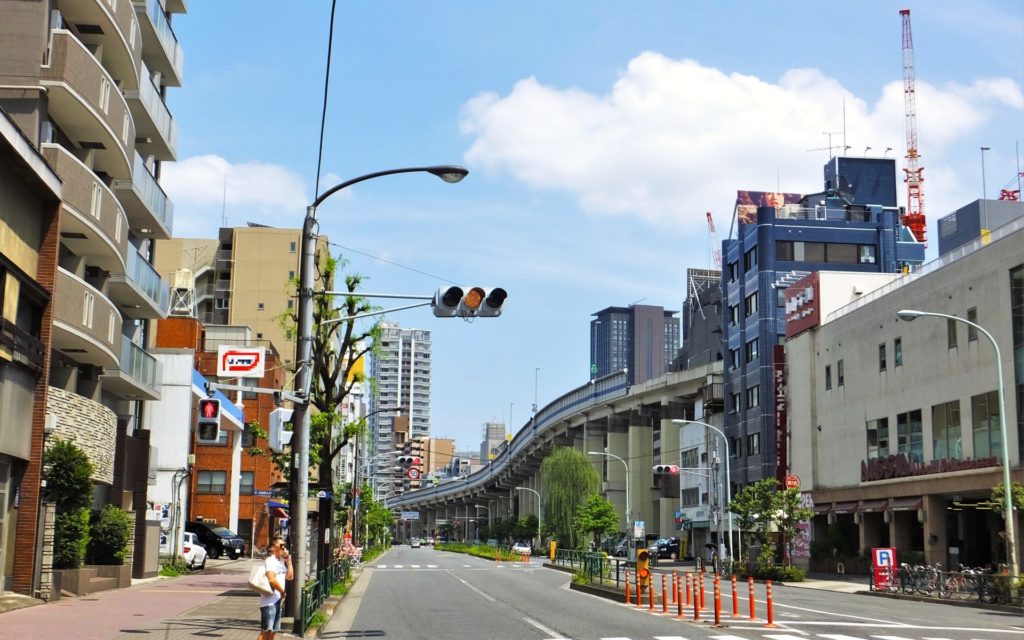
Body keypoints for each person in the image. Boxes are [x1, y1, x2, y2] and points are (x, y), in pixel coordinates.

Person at [259, 537, 293, 640]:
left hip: (276, 601)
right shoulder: (271, 561)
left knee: (272, 633)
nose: (284, 548)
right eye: (281, 546)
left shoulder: (281, 562)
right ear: (273, 548)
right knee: (265, 633)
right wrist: (282, 591)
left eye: (284, 546)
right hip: (269, 603)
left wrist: (289, 561)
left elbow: (290, 577)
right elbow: (271, 579)